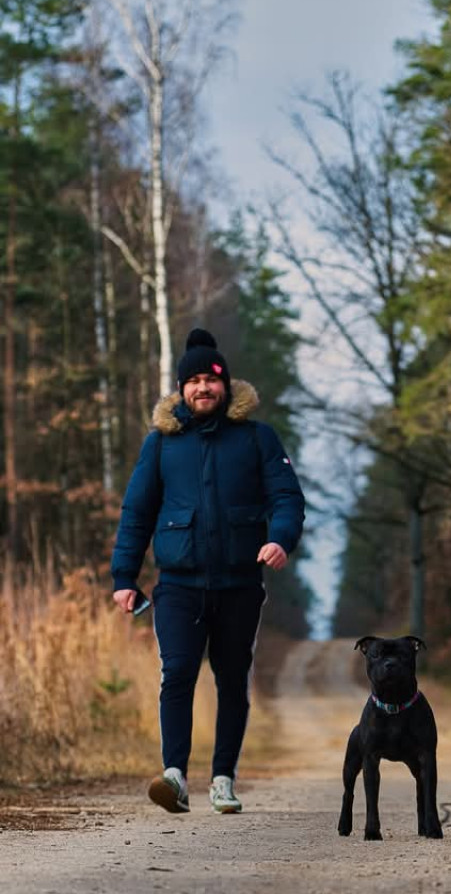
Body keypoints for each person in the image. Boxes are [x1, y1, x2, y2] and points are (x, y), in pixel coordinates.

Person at [111, 328, 305, 815]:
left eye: (211, 380)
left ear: (226, 386)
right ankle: (174, 775)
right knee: (176, 672)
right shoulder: (161, 444)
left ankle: (223, 779)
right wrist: (123, 578)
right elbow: (137, 512)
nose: (203, 388)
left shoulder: (257, 438)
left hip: (240, 584)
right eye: (193, 381)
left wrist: (280, 539)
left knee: (232, 679)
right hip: (177, 583)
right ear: (182, 389)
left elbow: (286, 497)